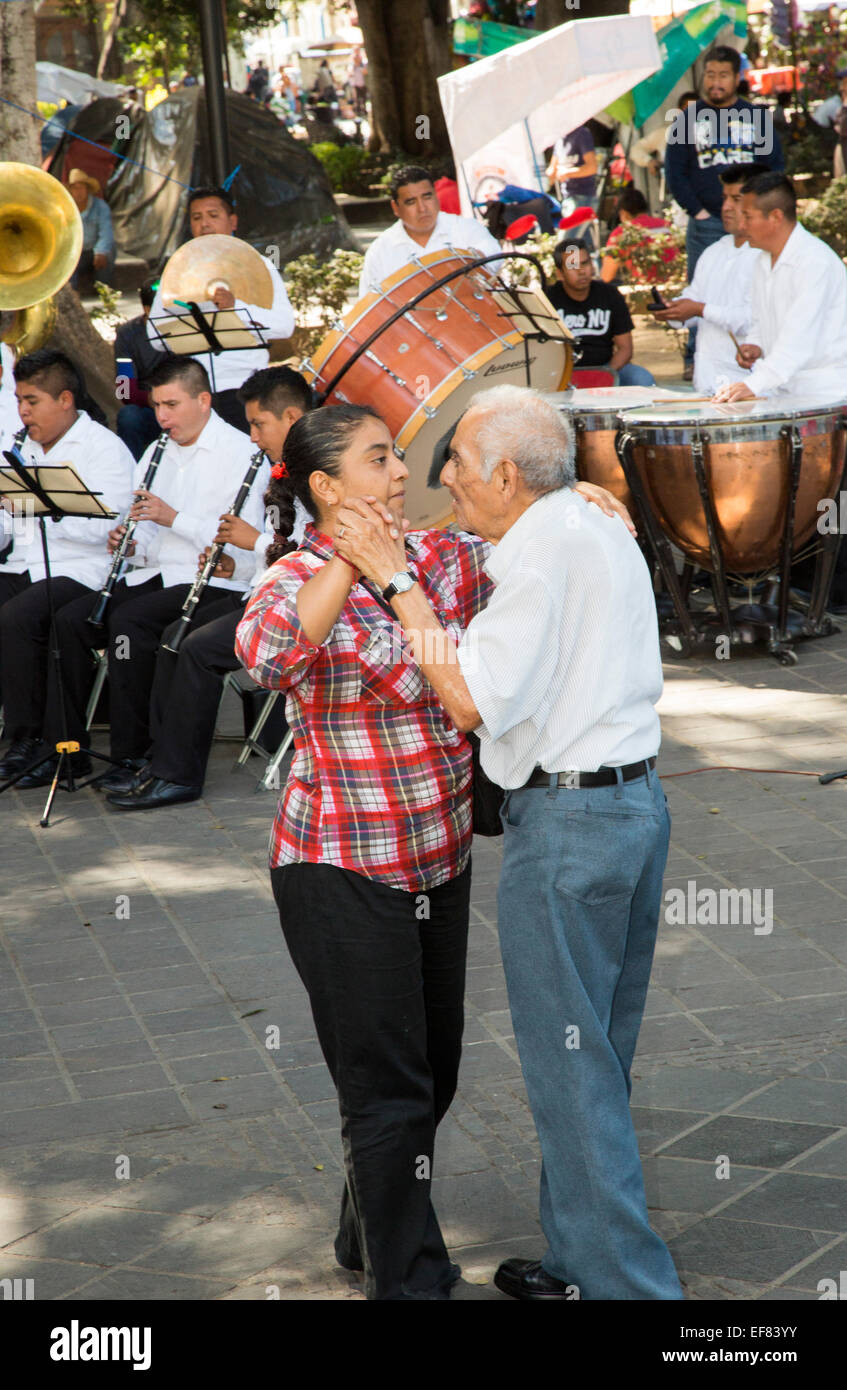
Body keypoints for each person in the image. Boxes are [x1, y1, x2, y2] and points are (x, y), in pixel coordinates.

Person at [234, 401, 634, 1299]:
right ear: (327, 487)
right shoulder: (292, 575)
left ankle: (365, 1225)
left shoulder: (445, 562)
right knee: (387, 1090)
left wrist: (576, 494)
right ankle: (408, 1280)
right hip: (337, 864)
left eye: (400, 458)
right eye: (379, 461)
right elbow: (267, 655)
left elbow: (523, 537)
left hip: (437, 863)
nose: (402, 477)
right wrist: (349, 556)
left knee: (433, 1073)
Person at [333, 384, 682, 1301]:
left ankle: (631, 1293)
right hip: (628, 811)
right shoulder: (577, 519)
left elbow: (470, 699)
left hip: (572, 829)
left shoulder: (540, 554)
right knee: (595, 1057)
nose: (437, 475)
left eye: (453, 461)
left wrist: (397, 586)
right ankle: (576, 1262)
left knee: (573, 1075)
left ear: (504, 473)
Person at [26, 358, 262, 791]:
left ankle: (132, 752)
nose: (162, 417)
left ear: (204, 400)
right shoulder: (155, 452)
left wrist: (174, 518)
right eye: (156, 406)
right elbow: (150, 536)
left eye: (171, 404)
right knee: (70, 621)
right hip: (154, 574)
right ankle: (67, 751)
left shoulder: (242, 454)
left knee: (129, 627)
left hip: (211, 581)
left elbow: (241, 541)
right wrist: (132, 544)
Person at [105, 366, 312, 810]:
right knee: (170, 639)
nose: (252, 436)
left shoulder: (318, 470)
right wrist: (239, 560)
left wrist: (250, 542)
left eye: (258, 424)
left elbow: (316, 552)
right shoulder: (282, 467)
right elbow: (280, 549)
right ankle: (161, 762)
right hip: (265, 589)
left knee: (196, 648)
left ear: (291, 417)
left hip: (308, 604)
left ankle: (179, 775)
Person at [0, 351, 133, 782]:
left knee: (18, 617)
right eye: (19, 399)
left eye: (32, 401)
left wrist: (48, 511)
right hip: (32, 563)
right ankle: (29, 736)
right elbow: (13, 533)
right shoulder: (23, 448)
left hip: (85, 570)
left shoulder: (102, 449)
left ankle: (28, 740)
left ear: (64, 400)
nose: (22, 411)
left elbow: (112, 529)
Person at [665, 45, 784, 376]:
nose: (715, 82)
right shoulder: (686, 120)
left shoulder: (756, 118)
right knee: (700, 289)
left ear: (736, 78)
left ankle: (757, 354)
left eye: (722, 75)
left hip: (753, 224)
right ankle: (695, 359)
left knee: (755, 289)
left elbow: (775, 167)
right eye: (710, 74)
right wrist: (698, 212)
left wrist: (759, 214)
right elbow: (675, 173)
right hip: (706, 223)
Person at [146, 186, 295, 432]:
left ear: (232, 221)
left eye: (213, 215)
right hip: (193, 389)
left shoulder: (260, 266)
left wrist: (237, 307)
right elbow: (155, 337)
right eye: (197, 217)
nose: (204, 224)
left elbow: (284, 325)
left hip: (244, 385)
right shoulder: (177, 270)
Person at [712, 171, 847, 403]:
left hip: (826, 393)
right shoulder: (762, 260)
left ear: (775, 216)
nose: (742, 225)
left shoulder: (815, 262)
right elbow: (760, 319)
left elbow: (798, 340)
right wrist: (755, 343)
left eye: (747, 216)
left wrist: (752, 384)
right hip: (784, 389)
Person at [651, 165, 759, 395]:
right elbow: (693, 297)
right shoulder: (713, 252)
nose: (726, 207)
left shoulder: (766, 257)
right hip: (707, 384)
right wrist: (673, 310)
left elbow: (753, 320)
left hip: (750, 387)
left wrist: (700, 309)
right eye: (725, 198)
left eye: (736, 199)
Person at [358, 165, 501, 297]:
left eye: (427, 197)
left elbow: (494, 254)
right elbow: (368, 304)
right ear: (395, 207)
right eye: (411, 202)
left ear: (436, 196)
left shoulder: (466, 228)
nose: (422, 208)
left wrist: (471, 260)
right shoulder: (380, 251)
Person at [548, 239, 655, 386]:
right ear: (560, 274)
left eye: (585, 263)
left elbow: (625, 349)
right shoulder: (547, 299)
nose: (581, 271)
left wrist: (604, 373)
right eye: (573, 266)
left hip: (606, 367)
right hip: (560, 372)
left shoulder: (610, 294)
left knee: (641, 378)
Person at [114, 282, 163, 461]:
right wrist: (150, 399)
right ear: (147, 309)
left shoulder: (182, 328)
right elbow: (124, 390)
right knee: (129, 417)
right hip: (148, 407)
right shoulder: (127, 335)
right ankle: (132, 473)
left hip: (181, 403)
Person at [600, 186, 679, 286]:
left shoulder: (621, 233)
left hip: (645, 289)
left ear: (624, 213)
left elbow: (606, 276)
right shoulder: (667, 226)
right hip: (675, 284)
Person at [67, 168, 115, 291]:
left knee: (108, 253)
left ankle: (103, 291)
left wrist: (100, 251)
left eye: (81, 188)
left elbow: (106, 233)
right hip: (75, 253)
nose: (78, 192)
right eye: (75, 188)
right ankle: (73, 294)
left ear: (87, 189)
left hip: (93, 251)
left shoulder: (100, 207)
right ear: (70, 190)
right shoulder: (65, 208)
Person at [545, 124, 598, 211]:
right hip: (567, 197)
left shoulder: (581, 134)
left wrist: (567, 173)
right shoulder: (559, 140)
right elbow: (552, 169)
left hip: (583, 197)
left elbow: (592, 167)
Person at [347, 46, 367, 117]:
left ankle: (364, 112)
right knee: (357, 100)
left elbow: (365, 72)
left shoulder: (363, 64)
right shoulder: (352, 65)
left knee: (364, 99)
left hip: (363, 84)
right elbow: (349, 73)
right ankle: (358, 113)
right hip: (355, 84)